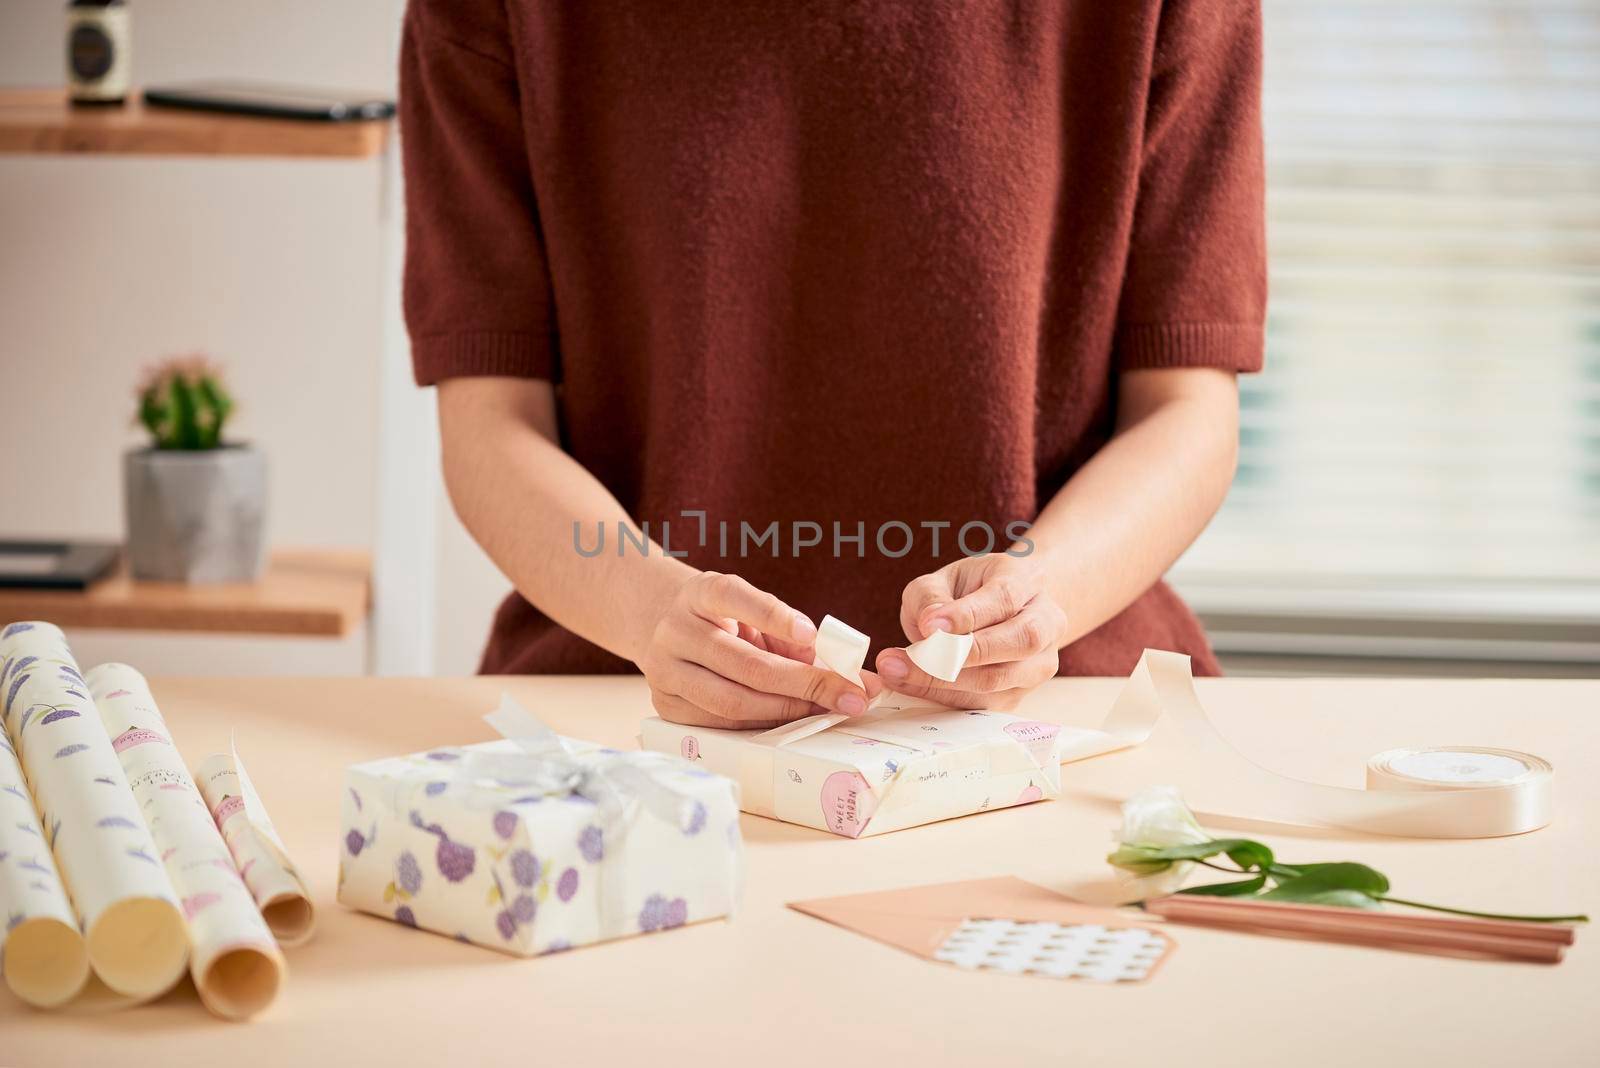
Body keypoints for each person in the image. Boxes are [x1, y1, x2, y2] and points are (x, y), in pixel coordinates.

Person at [400, 0, 1264, 729]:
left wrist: (1043, 594)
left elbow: (1188, 410)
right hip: (618, 726)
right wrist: (642, 609)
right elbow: (488, 421)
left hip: (1072, 719)